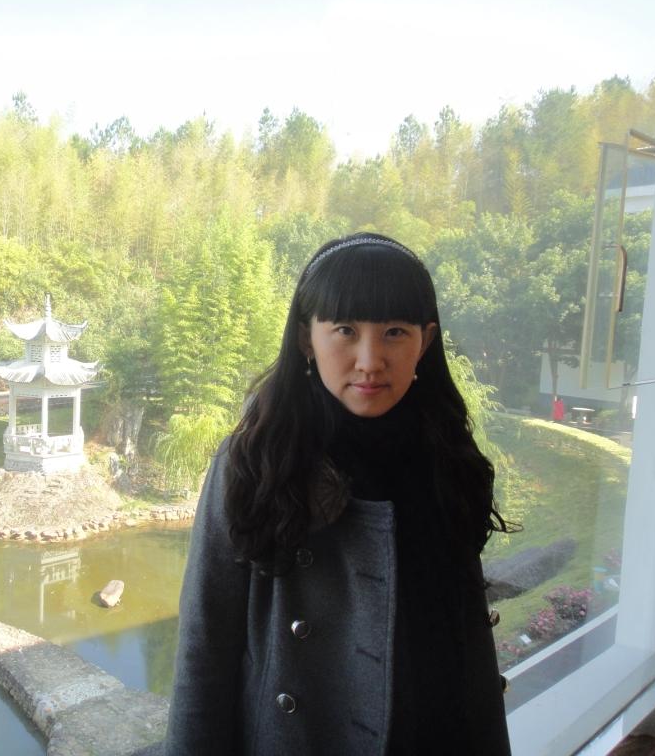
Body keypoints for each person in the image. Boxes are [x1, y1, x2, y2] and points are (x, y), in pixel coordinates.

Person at [153, 233, 512, 755]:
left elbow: (469, 643)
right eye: (345, 330)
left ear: (425, 341)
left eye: (394, 332)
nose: (370, 360)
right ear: (307, 339)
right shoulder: (256, 462)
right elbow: (205, 645)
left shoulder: (445, 454)